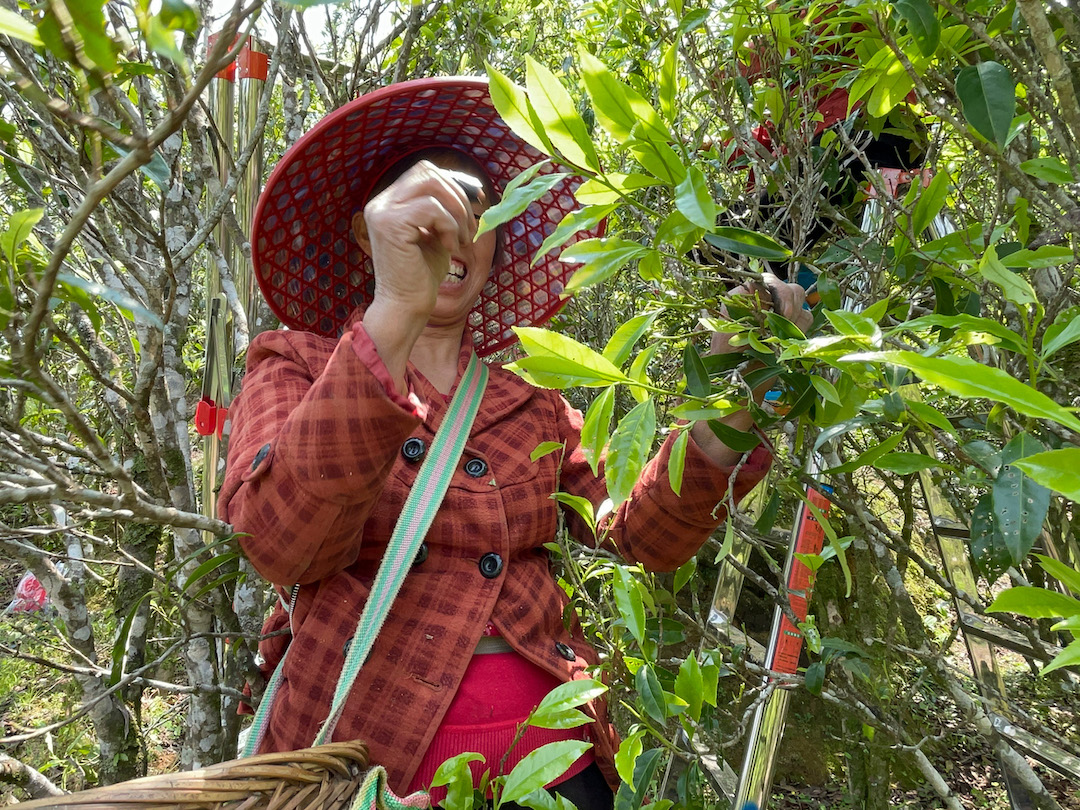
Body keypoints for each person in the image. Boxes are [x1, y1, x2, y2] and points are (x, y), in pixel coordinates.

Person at [219, 77, 811, 809]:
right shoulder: (296, 364)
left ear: (497, 243)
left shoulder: (530, 401)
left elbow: (634, 539)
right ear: (368, 232)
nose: (450, 224)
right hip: (371, 756)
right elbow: (281, 541)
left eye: (474, 204)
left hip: (555, 754)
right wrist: (396, 308)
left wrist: (731, 403)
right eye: (419, 201)